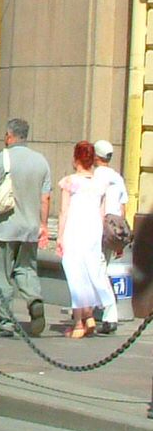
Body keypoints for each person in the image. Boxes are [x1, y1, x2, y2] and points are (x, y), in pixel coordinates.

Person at [0, 118, 51, 337]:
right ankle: (34, 299)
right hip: (30, 228)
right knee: (27, 269)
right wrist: (43, 225)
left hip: (5, 227)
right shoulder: (41, 161)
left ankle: (6, 322)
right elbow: (45, 198)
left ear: (9, 135)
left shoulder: (3, 157)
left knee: (2, 274)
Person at [56, 141, 117, 338]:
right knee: (90, 273)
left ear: (76, 160)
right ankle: (89, 316)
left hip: (75, 231)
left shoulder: (70, 181)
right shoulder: (100, 184)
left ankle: (78, 324)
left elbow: (64, 212)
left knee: (76, 275)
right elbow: (101, 212)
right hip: (93, 232)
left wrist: (59, 236)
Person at [91, 139, 127, 334]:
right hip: (114, 229)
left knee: (97, 270)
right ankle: (96, 310)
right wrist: (120, 239)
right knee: (102, 268)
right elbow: (123, 207)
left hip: (97, 227)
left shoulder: (94, 176)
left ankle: (109, 312)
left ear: (96, 156)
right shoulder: (117, 177)